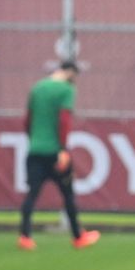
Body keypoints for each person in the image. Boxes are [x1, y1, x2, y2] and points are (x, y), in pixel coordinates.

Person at [18, 60, 100, 251]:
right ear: (70, 72)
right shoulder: (66, 90)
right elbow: (64, 120)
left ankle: (25, 236)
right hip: (55, 152)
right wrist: (62, 149)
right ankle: (78, 236)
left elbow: (27, 120)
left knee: (32, 194)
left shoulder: (37, 88)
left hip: (35, 150)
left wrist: (34, 140)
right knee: (68, 195)